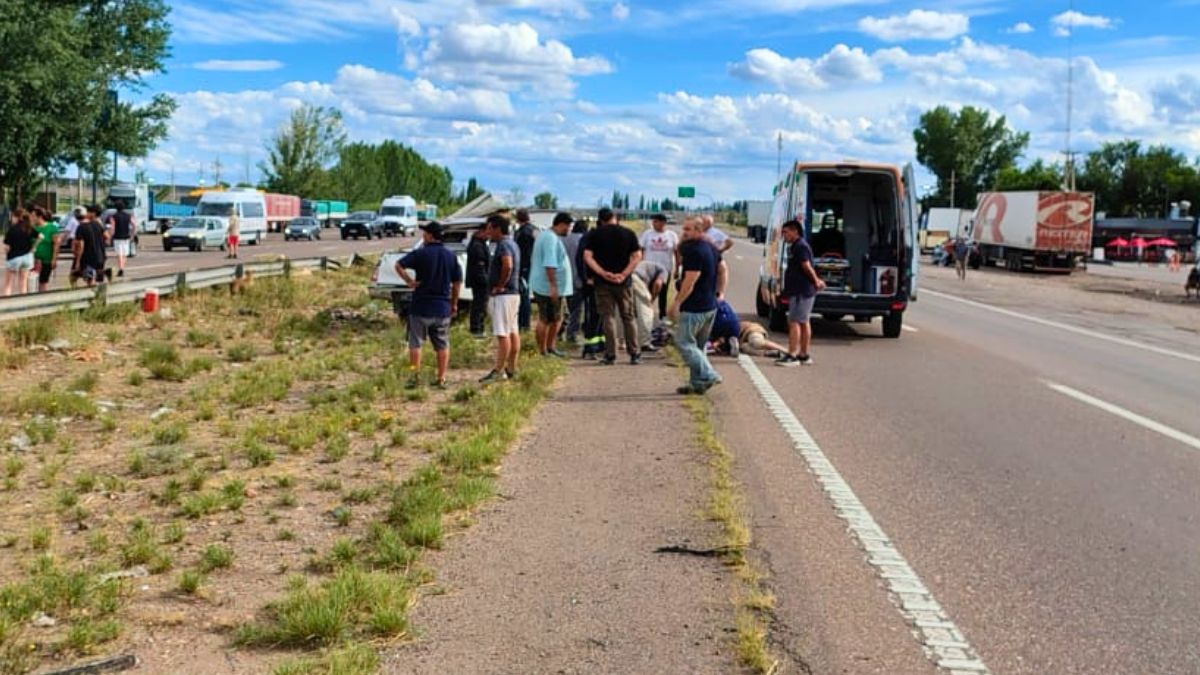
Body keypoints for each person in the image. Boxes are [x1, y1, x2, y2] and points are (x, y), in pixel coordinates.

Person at [393, 222, 462, 389]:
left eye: (425, 234)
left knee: (415, 343)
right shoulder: (451, 256)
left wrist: (409, 281)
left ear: (431, 236)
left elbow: (398, 265)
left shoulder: (420, 254)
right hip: (442, 307)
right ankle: (441, 378)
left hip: (421, 307)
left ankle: (414, 378)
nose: (423, 236)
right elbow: (457, 282)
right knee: (442, 344)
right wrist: (454, 304)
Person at [670, 217, 724, 394]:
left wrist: (677, 302)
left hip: (695, 306)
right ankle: (696, 383)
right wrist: (719, 293)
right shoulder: (711, 248)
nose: (684, 232)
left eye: (689, 229)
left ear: (699, 231)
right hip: (710, 304)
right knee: (698, 347)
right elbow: (723, 269)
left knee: (683, 342)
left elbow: (690, 280)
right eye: (683, 228)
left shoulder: (694, 251)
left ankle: (708, 374)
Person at [582, 207, 643, 365]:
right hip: (624, 283)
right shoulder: (628, 233)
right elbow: (637, 256)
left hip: (603, 283)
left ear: (600, 220)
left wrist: (602, 273)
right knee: (628, 317)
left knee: (608, 317)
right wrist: (624, 273)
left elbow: (587, 257)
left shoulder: (594, 235)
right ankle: (634, 353)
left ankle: (610, 354)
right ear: (614, 217)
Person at [777, 219, 825, 367]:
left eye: (785, 232)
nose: (784, 235)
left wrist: (816, 280)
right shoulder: (795, 246)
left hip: (801, 291)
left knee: (795, 322)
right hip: (800, 290)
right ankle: (803, 354)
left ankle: (793, 355)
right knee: (803, 321)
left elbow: (806, 265)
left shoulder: (800, 246)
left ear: (794, 231)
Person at [480, 214, 521, 384]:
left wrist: (500, 284)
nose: (487, 231)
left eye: (489, 228)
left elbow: (508, 264)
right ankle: (511, 368)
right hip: (514, 294)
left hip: (503, 296)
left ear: (497, 228)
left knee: (502, 333)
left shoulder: (503, 245)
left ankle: (498, 370)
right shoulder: (513, 243)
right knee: (512, 331)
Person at [529, 212, 573, 357]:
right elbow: (549, 263)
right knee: (546, 319)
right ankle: (544, 350)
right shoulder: (550, 239)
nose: (569, 230)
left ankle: (550, 347)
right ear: (561, 224)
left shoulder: (546, 236)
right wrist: (553, 286)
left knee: (556, 318)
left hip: (548, 286)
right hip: (547, 287)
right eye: (568, 227)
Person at [639, 214, 678, 319]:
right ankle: (645, 312)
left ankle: (662, 315)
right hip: (648, 269)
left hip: (665, 269)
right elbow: (640, 250)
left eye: (656, 221)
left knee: (663, 294)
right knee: (646, 292)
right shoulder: (647, 234)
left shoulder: (672, 235)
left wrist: (677, 269)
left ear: (663, 223)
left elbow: (676, 253)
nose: (653, 223)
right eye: (653, 221)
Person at [632, 260, 667, 352]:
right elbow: (658, 284)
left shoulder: (649, 265)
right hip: (637, 279)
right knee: (647, 311)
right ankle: (645, 343)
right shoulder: (664, 270)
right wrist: (652, 299)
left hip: (628, 277)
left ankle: (626, 341)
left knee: (631, 311)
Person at [562, 218, 587, 343]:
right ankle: (571, 334)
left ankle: (560, 331)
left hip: (564, 280)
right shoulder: (583, 241)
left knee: (566, 308)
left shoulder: (564, 239)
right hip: (578, 280)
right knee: (577, 310)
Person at [72, 205, 108, 288]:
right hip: (100, 256)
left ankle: (92, 296)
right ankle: (99, 296)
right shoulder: (98, 225)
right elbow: (107, 236)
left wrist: (78, 260)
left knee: (89, 279)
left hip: (88, 258)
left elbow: (81, 245)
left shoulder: (81, 227)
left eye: (88, 212)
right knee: (98, 279)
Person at [514, 209, 538, 331]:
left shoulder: (521, 232)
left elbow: (518, 251)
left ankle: (523, 323)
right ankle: (525, 323)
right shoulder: (535, 230)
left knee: (523, 295)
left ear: (518, 219)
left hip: (523, 266)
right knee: (526, 294)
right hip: (532, 266)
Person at [465, 224, 491, 337]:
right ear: (481, 232)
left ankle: (478, 327)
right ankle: (476, 329)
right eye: (487, 233)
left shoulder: (479, 244)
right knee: (479, 305)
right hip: (480, 281)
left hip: (479, 280)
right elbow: (479, 266)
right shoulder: (477, 246)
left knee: (480, 305)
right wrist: (486, 281)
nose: (489, 236)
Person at [3, 208, 37, 296]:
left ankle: (7, 305)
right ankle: (23, 305)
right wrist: (34, 247)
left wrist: (7, 253)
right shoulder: (29, 227)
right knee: (23, 284)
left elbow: (7, 247)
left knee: (8, 284)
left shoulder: (12, 229)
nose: (12, 219)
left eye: (13, 217)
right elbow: (41, 236)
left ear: (17, 217)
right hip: (27, 257)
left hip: (14, 257)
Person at [31, 207, 62, 292]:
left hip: (46, 259)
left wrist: (54, 259)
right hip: (33, 260)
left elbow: (57, 244)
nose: (31, 218)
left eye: (33, 216)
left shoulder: (52, 227)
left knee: (43, 281)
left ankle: (42, 299)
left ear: (40, 216)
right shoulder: (32, 228)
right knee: (30, 282)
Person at [106, 201, 134, 277]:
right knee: (125, 254)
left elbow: (112, 228)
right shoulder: (128, 216)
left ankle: (121, 268)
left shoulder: (113, 216)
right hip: (126, 237)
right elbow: (134, 224)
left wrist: (109, 237)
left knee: (119, 254)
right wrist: (132, 234)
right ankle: (122, 267)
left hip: (117, 237)